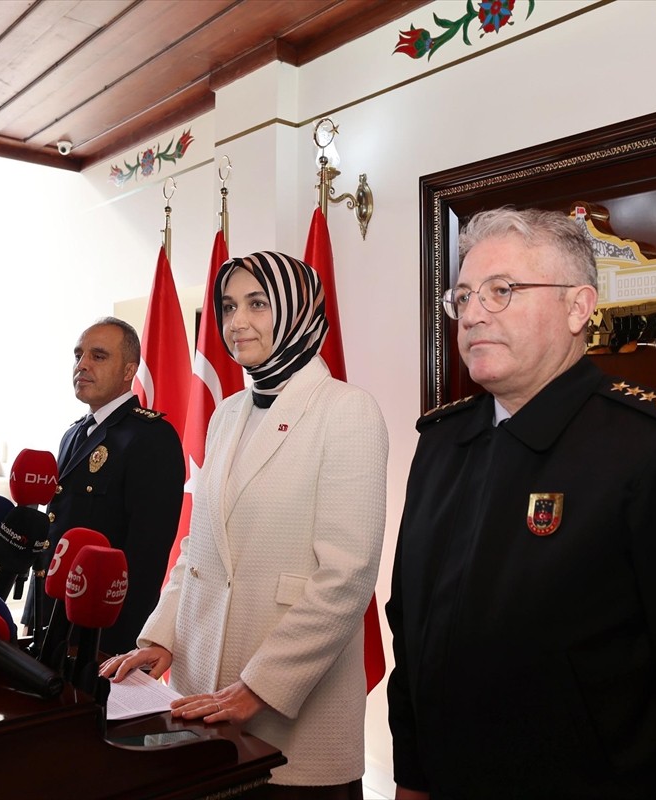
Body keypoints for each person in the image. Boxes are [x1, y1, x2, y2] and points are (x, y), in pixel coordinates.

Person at [386, 208, 656, 799]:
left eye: (502, 291)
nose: (472, 314)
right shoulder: (442, 444)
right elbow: (414, 633)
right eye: (464, 295)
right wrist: (413, 778)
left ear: (578, 308)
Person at [102, 252, 388, 797]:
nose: (236, 323)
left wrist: (258, 688)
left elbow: (347, 577)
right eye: (229, 306)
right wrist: (163, 636)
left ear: (297, 310)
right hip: (204, 693)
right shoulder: (228, 411)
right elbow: (199, 546)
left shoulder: (348, 410)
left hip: (295, 716)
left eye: (258, 304)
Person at [24, 316, 184, 656]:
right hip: (53, 620)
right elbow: (55, 532)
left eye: (98, 356)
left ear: (128, 371)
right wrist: (34, 613)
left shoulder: (150, 438)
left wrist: (116, 645)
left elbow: (146, 558)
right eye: (78, 355)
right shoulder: (75, 433)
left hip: (98, 634)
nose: (82, 365)